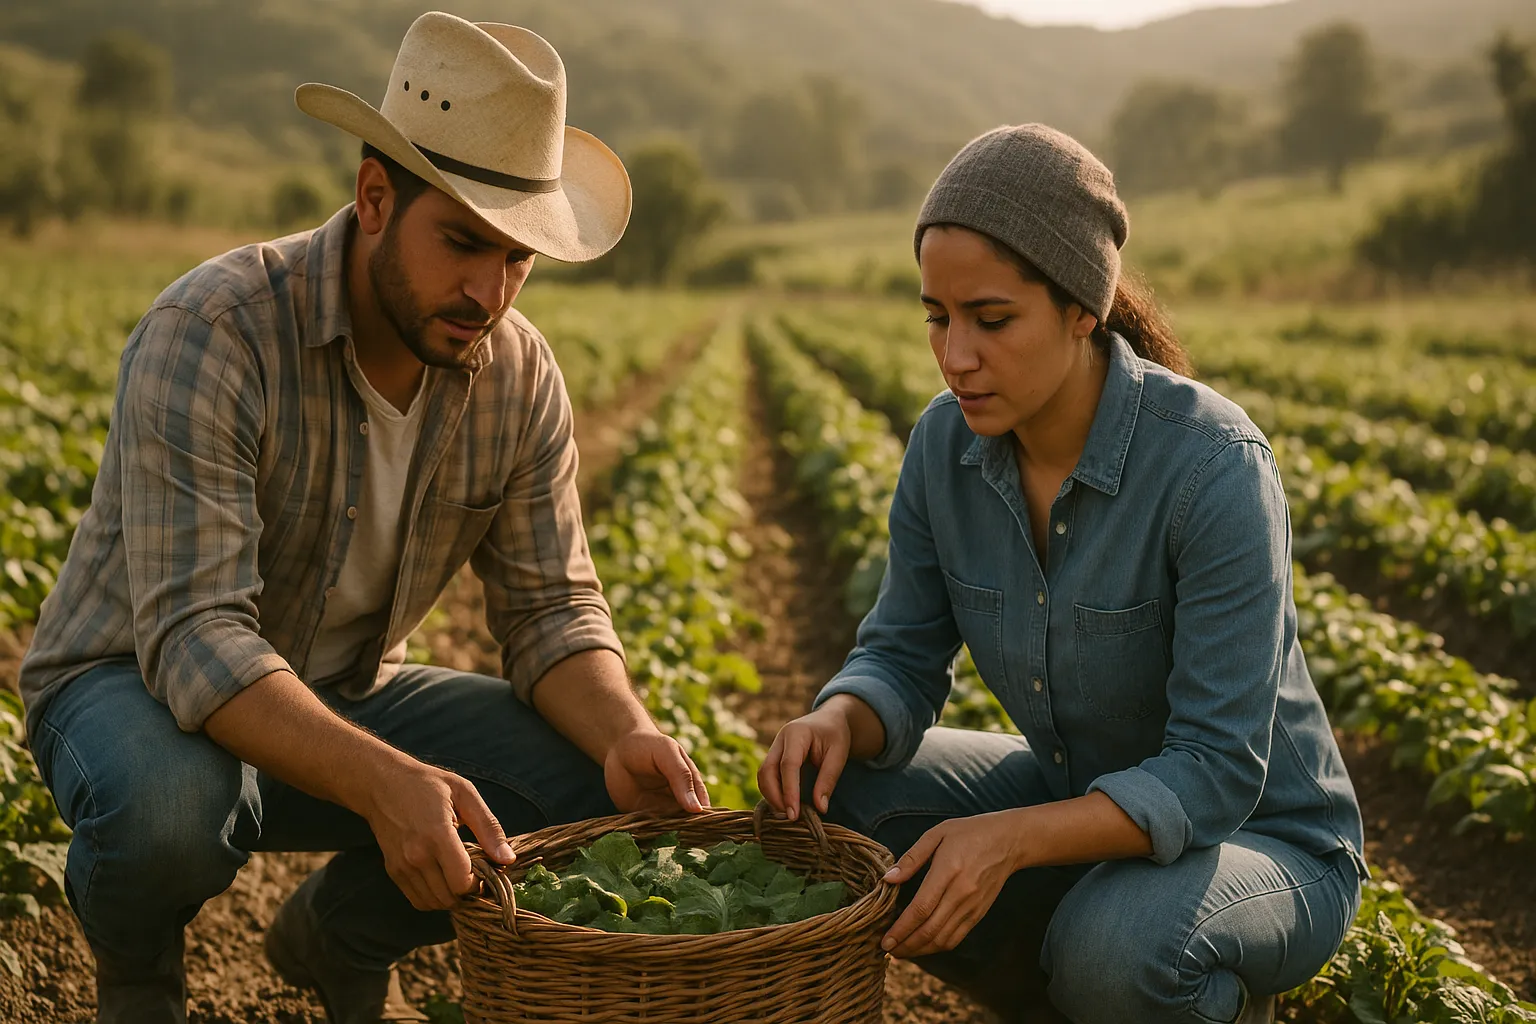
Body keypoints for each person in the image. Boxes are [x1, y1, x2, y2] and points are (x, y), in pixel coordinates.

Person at [18, 13, 710, 1024]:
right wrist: (387, 782)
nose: (490, 291)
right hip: (132, 687)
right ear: (375, 196)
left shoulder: (517, 376)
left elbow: (552, 608)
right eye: (464, 243)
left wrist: (628, 732)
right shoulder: (214, 332)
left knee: (593, 785)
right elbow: (196, 636)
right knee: (171, 806)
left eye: (518, 258)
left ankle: (340, 931)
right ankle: (134, 967)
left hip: (342, 691)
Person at [759, 124, 1367, 1024]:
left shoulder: (1213, 467)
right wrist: (839, 714)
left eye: (991, 319)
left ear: (1084, 307)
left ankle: (1164, 986)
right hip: (1073, 794)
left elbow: (1213, 770)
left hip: (1261, 842)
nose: (955, 354)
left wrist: (1007, 840)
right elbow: (902, 648)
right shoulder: (943, 445)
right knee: (829, 796)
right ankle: (1068, 993)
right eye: (937, 315)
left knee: (1120, 948)